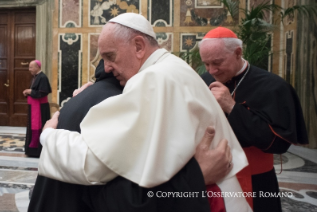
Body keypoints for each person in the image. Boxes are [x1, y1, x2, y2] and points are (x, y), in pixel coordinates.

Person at [37, 13, 251, 211]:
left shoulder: (152, 79)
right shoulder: (172, 68)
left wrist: (49, 136)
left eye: (110, 56)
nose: (107, 67)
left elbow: (96, 162)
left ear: (139, 46)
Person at [199, 27, 309, 212]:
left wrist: (231, 107)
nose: (212, 70)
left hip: (257, 179)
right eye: (206, 64)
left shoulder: (273, 87)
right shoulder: (202, 81)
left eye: (217, 62)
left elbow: (279, 143)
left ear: (238, 53)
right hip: (213, 178)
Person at [28, 59, 123, 211]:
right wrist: (47, 135)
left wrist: (47, 135)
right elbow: (98, 164)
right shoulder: (117, 100)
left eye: (31, 67)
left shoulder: (82, 95)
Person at [23, 60, 51, 157]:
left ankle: (37, 151)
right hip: (34, 107)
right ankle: (31, 150)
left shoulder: (42, 77)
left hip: (40, 109)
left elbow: (43, 93)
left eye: (31, 67)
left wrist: (30, 92)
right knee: (32, 127)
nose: (29, 69)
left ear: (37, 67)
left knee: (39, 127)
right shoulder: (35, 77)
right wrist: (28, 92)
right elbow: (35, 90)